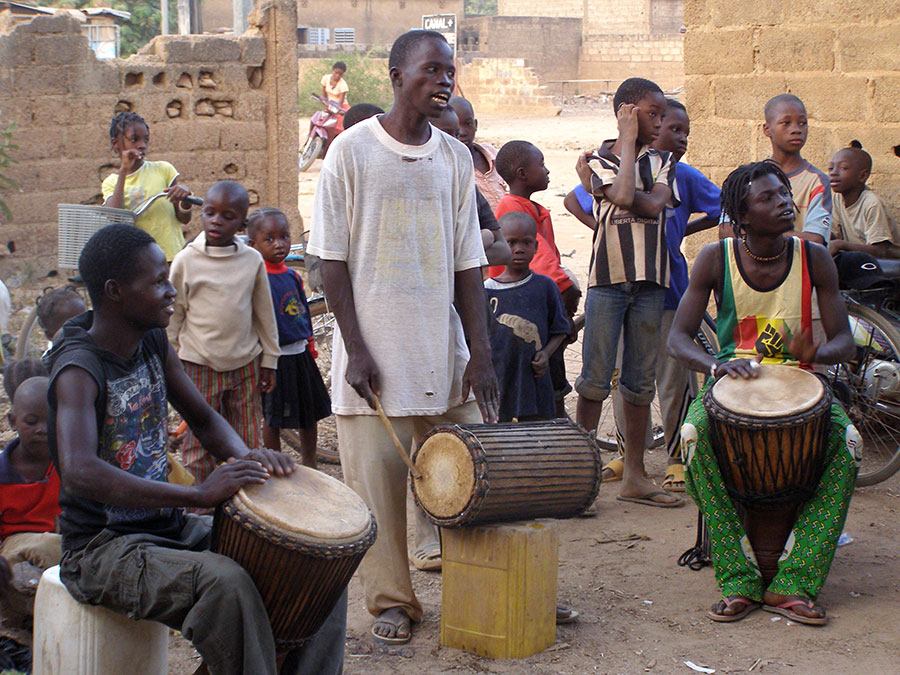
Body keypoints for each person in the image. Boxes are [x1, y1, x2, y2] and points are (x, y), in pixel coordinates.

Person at [44, 223, 308, 673]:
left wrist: (248, 459)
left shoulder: (150, 341)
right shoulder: (78, 368)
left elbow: (204, 419)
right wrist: (197, 496)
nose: (172, 292)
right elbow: (79, 470)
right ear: (115, 291)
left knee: (296, 561)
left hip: (163, 528)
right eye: (158, 281)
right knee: (225, 584)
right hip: (99, 549)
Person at [307, 29, 499, 646]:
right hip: (374, 359)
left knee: (473, 481)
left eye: (450, 72)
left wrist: (480, 353)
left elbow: (469, 263)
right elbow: (330, 260)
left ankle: (483, 590)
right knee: (381, 495)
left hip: (442, 353)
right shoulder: (351, 151)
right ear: (395, 76)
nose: (444, 81)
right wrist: (355, 348)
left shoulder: (451, 156)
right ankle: (393, 600)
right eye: (431, 70)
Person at [668, 161, 859, 626]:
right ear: (742, 214)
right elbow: (677, 338)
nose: (784, 203)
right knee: (693, 437)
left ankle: (795, 580)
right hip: (732, 384)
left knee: (849, 445)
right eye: (768, 198)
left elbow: (846, 344)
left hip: (801, 386)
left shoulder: (814, 258)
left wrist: (818, 350)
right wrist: (716, 364)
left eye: (783, 194)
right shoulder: (716, 258)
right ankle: (739, 577)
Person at [574, 77, 683, 508]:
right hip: (608, 282)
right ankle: (581, 475)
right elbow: (621, 192)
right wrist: (627, 140)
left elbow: (653, 204)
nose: (660, 121)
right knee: (594, 380)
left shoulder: (663, 162)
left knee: (640, 383)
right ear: (625, 112)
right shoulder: (598, 158)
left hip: (651, 284)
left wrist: (629, 191)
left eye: (661, 114)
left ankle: (635, 476)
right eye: (651, 114)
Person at [601, 99, 720, 491]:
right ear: (651, 127)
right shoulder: (621, 169)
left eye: (686, 132)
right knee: (625, 381)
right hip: (624, 288)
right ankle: (626, 454)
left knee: (673, 380)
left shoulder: (682, 176)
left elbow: (722, 207)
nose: (681, 139)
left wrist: (683, 229)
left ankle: (676, 457)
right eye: (674, 130)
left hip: (670, 292)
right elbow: (580, 200)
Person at [168, 181, 280, 491]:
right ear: (201, 215)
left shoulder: (251, 260)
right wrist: (168, 361)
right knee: (197, 445)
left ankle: (248, 512)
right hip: (197, 366)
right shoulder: (187, 260)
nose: (216, 221)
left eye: (227, 216)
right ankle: (199, 514)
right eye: (210, 213)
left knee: (246, 443)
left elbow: (263, 313)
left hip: (244, 365)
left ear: (242, 222)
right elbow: (173, 314)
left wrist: (270, 360)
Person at [491, 140, 580, 417]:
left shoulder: (529, 209)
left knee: (549, 387)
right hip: (522, 315)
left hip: (537, 317)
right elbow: (549, 271)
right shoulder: (513, 211)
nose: (547, 170)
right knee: (539, 394)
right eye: (541, 164)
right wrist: (568, 298)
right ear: (522, 173)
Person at [246, 207, 331, 468]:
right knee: (273, 416)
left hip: (299, 354)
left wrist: (310, 344)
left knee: (309, 412)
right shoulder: (255, 279)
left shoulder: (292, 275)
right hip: (274, 359)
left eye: (283, 237)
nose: (279, 244)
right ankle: (276, 463)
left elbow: (302, 313)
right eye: (269, 239)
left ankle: (309, 461)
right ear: (253, 245)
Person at [486, 211, 569, 421]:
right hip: (499, 381)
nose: (519, 249)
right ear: (500, 246)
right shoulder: (486, 291)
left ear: (536, 247)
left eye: (527, 242)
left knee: (536, 435)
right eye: (511, 242)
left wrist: (546, 354)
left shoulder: (545, 287)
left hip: (534, 383)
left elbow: (560, 329)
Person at [102, 111, 194, 262]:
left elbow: (184, 218)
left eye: (146, 140)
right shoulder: (112, 182)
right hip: (141, 262)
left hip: (172, 258)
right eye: (134, 139)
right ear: (115, 143)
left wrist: (185, 200)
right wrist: (124, 170)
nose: (142, 145)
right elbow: (115, 218)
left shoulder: (164, 170)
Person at [432, 106, 511, 267]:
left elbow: (503, 251)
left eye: (455, 134)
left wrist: (454, 259)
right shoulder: (420, 187)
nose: (458, 137)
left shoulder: (467, 186)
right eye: (447, 135)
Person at [763, 94, 831, 246]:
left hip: (799, 266)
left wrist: (759, 234)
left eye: (802, 123)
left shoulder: (817, 181)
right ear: (767, 129)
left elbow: (815, 240)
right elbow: (727, 230)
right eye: (786, 123)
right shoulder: (749, 178)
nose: (796, 130)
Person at [827, 141, 900, 259]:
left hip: (888, 266)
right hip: (859, 259)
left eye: (843, 168)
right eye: (831, 168)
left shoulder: (871, 203)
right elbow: (833, 235)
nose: (834, 173)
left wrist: (841, 244)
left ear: (862, 176)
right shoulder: (837, 199)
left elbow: (880, 251)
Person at [449, 96, 507, 210]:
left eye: (468, 124)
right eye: (455, 126)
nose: (462, 132)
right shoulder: (450, 167)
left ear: (476, 125)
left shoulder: (492, 154)